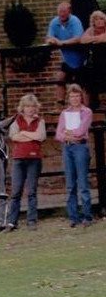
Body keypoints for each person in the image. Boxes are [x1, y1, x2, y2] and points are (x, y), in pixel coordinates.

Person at [5, 94, 47, 232]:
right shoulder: (16, 120)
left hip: (34, 159)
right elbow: (14, 136)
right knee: (16, 191)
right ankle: (12, 222)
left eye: (32, 106)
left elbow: (40, 136)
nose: (30, 109)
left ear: (36, 107)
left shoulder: (40, 121)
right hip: (19, 159)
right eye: (27, 106)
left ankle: (31, 220)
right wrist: (30, 135)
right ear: (22, 107)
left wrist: (24, 133)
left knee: (32, 191)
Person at [55, 84, 93, 227]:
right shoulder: (64, 113)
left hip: (80, 148)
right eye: (72, 96)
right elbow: (59, 134)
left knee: (83, 183)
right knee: (70, 184)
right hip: (68, 148)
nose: (75, 99)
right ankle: (73, 217)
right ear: (68, 98)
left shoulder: (87, 112)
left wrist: (68, 133)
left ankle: (87, 216)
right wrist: (68, 136)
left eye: (77, 96)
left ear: (81, 97)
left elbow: (81, 131)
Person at [45, 2, 87, 105]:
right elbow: (48, 38)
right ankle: (60, 105)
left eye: (64, 11)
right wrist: (52, 40)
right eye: (60, 11)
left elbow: (78, 38)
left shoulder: (75, 21)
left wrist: (61, 42)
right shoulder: (54, 22)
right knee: (60, 79)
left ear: (69, 11)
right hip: (67, 60)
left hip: (81, 58)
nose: (62, 14)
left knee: (83, 84)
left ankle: (86, 108)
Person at [80, 10, 106, 109]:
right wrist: (97, 39)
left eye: (101, 18)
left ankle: (103, 103)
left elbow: (104, 38)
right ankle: (88, 107)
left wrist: (95, 39)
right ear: (93, 21)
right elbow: (83, 40)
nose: (99, 21)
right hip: (95, 62)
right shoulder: (91, 30)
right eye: (96, 19)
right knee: (86, 76)